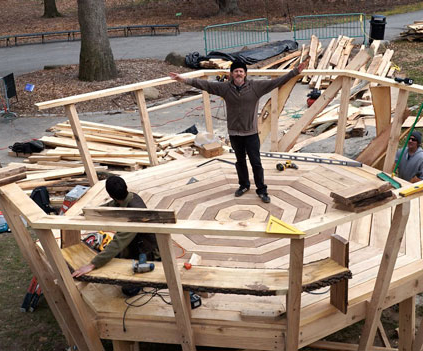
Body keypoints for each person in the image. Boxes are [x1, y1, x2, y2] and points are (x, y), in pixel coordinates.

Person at [169, 59, 308, 204]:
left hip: (251, 133)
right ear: (231, 74)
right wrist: (183, 79)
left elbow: (277, 82)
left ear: (245, 73)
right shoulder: (224, 88)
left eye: (241, 71)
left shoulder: (256, 87)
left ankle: (262, 190)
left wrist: (295, 72)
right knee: (240, 162)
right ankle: (244, 185)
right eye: (236, 71)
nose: (239, 73)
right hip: (235, 134)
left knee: (256, 163)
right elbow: (205, 84)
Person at [71, 176, 160, 279]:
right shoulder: (128, 197)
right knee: (109, 256)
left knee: (127, 290)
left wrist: (92, 264)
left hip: (146, 252)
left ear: (110, 194)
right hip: (134, 245)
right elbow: (110, 206)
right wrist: (89, 213)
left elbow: (118, 242)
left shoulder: (133, 213)